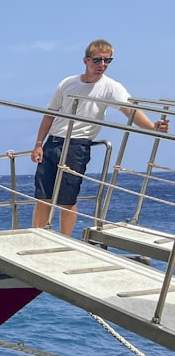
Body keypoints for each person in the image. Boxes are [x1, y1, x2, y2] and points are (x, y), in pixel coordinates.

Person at [31, 39, 169, 236]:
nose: (102, 65)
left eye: (107, 61)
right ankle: (37, 235)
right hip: (53, 142)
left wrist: (153, 127)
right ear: (86, 60)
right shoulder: (67, 83)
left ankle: (65, 240)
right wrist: (38, 144)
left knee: (67, 200)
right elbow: (49, 115)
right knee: (43, 197)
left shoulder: (111, 87)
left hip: (77, 146)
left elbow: (130, 111)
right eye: (97, 60)